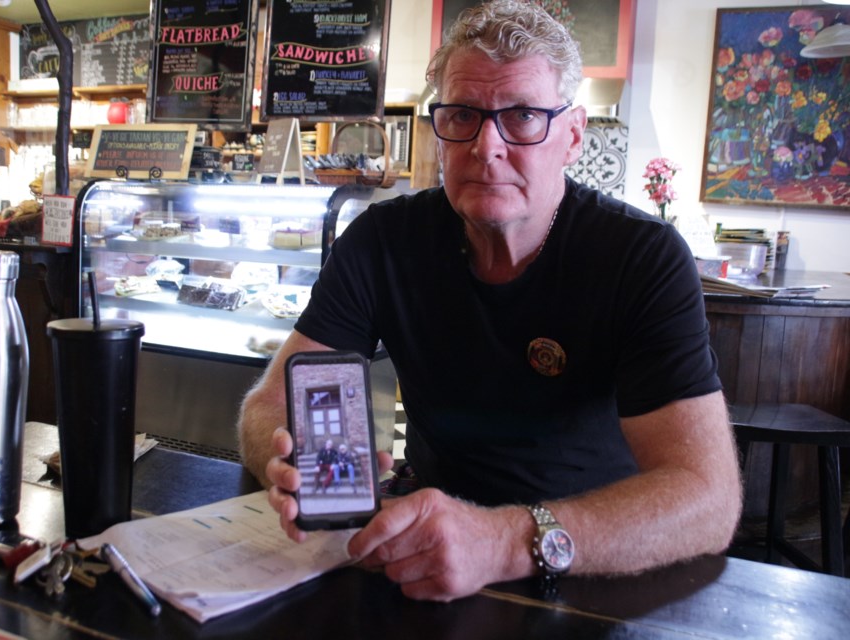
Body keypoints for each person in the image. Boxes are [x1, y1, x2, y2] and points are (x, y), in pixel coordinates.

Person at [239, 0, 741, 602]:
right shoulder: (382, 240)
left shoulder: (641, 257)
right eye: (463, 115)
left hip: (595, 560)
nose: (486, 146)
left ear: (573, 135)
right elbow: (268, 401)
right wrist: (288, 461)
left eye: (524, 115)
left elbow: (708, 499)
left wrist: (504, 542)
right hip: (425, 545)